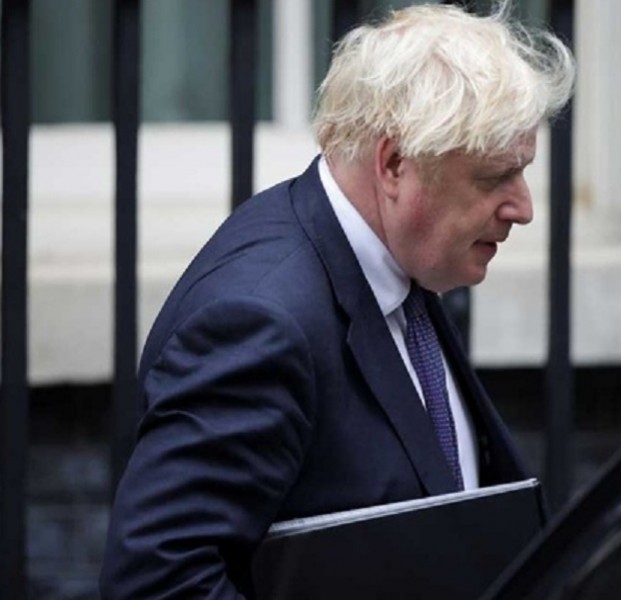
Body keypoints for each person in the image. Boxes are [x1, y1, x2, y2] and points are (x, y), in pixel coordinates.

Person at [100, 3, 575, 598]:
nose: (523, 208)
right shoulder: (258, 320)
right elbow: (158, 582)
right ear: (395, 163)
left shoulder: (399, 256)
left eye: (523, 171)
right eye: (492, 178)